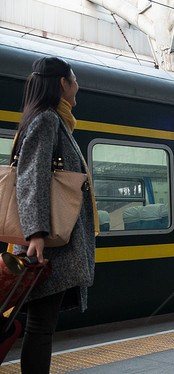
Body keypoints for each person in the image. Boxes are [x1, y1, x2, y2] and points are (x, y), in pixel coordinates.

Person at [10, 57, 98, 373]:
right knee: (40, 327)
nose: (78, 87)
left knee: (40, 325)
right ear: (63, 83)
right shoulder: (47, 120)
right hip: (48, 245)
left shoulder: (47, 119)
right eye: (74, 80)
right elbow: (31, 176)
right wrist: (35, 234)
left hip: (49, 242)